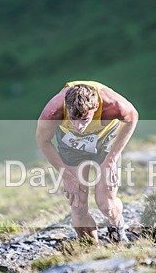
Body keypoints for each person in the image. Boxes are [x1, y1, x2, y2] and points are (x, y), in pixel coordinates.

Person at [36, 80, 139, 243]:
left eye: (84, 119)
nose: (79, 126)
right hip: (71, 144)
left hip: (105, 139)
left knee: (106, 204)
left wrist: (111, 159)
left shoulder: (114, 105)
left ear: (96, 107)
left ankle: (117, 228)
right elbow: (43, 141)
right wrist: (66, 176)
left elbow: (133, 118)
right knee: (78, 206)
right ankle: (91, 249)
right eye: (73, 119)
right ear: (67, 108)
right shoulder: (54, 111)